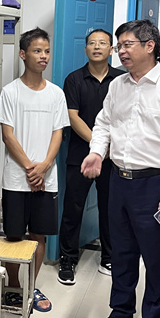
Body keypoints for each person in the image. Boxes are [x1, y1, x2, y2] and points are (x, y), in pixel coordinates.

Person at [82, 19, 160, 318]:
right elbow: (104, 123)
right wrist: (97, 152)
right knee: (122, 252)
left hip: (155, 185)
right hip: (118, 180)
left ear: (149, 46)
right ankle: (121, 313)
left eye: (127, 44)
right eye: (120, 46)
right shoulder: (118, 86)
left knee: (156, 259)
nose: (121, 52)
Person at [0, 27, 67, 313]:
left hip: (46, 179)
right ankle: (13, 287)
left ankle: (30, 287)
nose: (43, 56)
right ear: (23, 54)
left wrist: (44, 166)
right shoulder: (10, 92)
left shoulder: (56, 94)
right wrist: (30, 168)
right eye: (37, 51)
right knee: (14, 236)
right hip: (16, 179)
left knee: (39, 236)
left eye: (46, 51)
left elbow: (58, 133)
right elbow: (8, 135)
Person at [58, 28, 123, 285]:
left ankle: (109, 257)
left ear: (111, 49)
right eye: (92, 43)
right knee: (73, 208)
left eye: (102, 43)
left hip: (113, 157)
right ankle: (67, 259)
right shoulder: (74, 79)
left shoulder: (121, 80)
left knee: (110, 209)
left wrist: (106, 149)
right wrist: (98, 145)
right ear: (85, 49)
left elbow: (124, 117)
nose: (97, 47)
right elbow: (72, 116)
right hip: (80, 155)